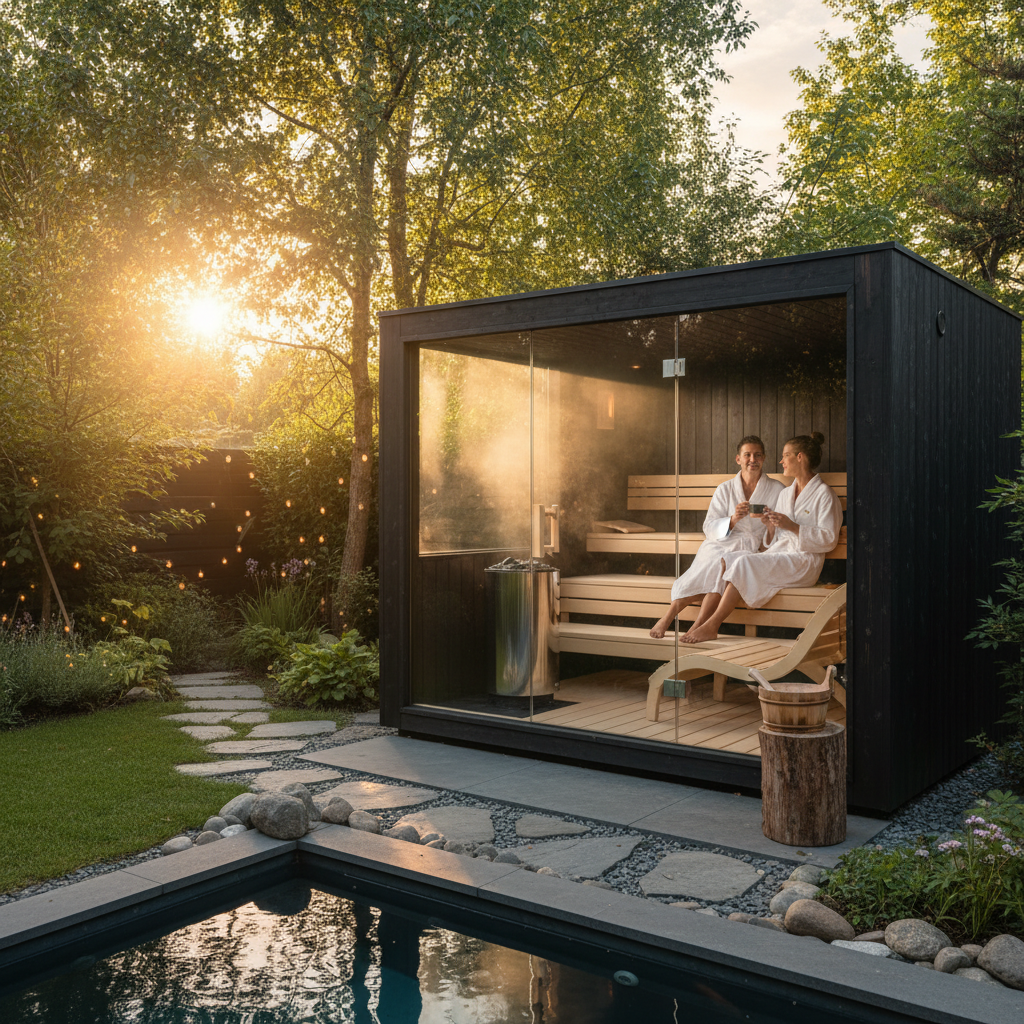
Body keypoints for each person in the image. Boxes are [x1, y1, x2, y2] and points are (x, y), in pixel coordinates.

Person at [680, 431, 842, 644]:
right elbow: (776, 540)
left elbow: (829, 539)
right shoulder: (785, 494)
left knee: (744, 561)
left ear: (800, 457)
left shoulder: (824, 495)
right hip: (782, 555)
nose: (781, 460)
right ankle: (702, 624)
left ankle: (712, 625)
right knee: (729, 559)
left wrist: (793, 527)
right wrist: (770, 526)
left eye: (785, 456)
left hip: (804, 562)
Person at [649, 435, 784, 638]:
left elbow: (780, 530)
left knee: (722, 567)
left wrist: (768, 525)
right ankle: (669, 616)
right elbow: (709, 526)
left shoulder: (777, 489)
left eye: (757, 455)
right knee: (711, 561)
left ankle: (697, 625)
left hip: (750, 546)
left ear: (764, 458)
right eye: (747, 455)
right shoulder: (725, 489)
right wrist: (732, 519)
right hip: (722, 541)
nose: (752, 460)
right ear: (738, 459)